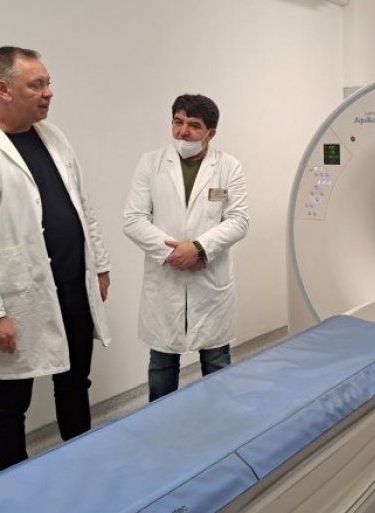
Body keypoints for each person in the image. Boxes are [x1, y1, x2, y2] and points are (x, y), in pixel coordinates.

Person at [0, 46, 112, 473]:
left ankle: (82, 465)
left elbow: (82, 206)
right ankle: (10, 484)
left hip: (73, 284)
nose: (48, 92)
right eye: (37, 85)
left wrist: (100, 265)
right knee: (12, 398)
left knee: (75, 381)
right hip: (19, 296)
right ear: (3, 89)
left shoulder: (53, 137)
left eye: (48, 83)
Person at [123, 94, 249, 401]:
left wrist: (200, 248)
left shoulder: (228, 167)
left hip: (210, 279)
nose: (183, 131)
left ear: (211, 133)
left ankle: (220, 420)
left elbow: (239, 220)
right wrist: (174, 253)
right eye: (177, 122)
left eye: (194, 125)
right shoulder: (151, 163)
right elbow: (133, 220)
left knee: (216, 361)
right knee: (162, 364)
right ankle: (160, 421)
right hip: (166, 279)